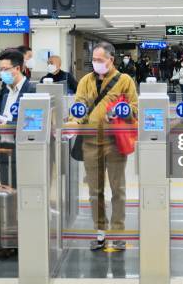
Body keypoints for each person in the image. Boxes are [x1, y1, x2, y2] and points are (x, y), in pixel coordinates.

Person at [69, 42, 138, 251]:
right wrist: (73, 123)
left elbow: (135, 108)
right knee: (94, 191)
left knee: (118, 189)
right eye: (94, 60)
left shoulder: (125, 80)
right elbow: (78, 107)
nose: (96, 64)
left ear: (111, 60)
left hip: (115, 143)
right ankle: (100, 232)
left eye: (100, 60)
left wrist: (122, 110)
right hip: (90, 142)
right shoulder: (85, 81)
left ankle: (117, 233)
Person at [0, 48, 36, 187]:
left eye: (5, 69)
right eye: (0, 69)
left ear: (17, 68)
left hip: (23, 151)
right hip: (4, 149)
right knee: (7, 190)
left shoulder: (31, 90)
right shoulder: (4, 91)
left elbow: (32, 123)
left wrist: (9, 123)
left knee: (24, 191)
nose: (2, 73)